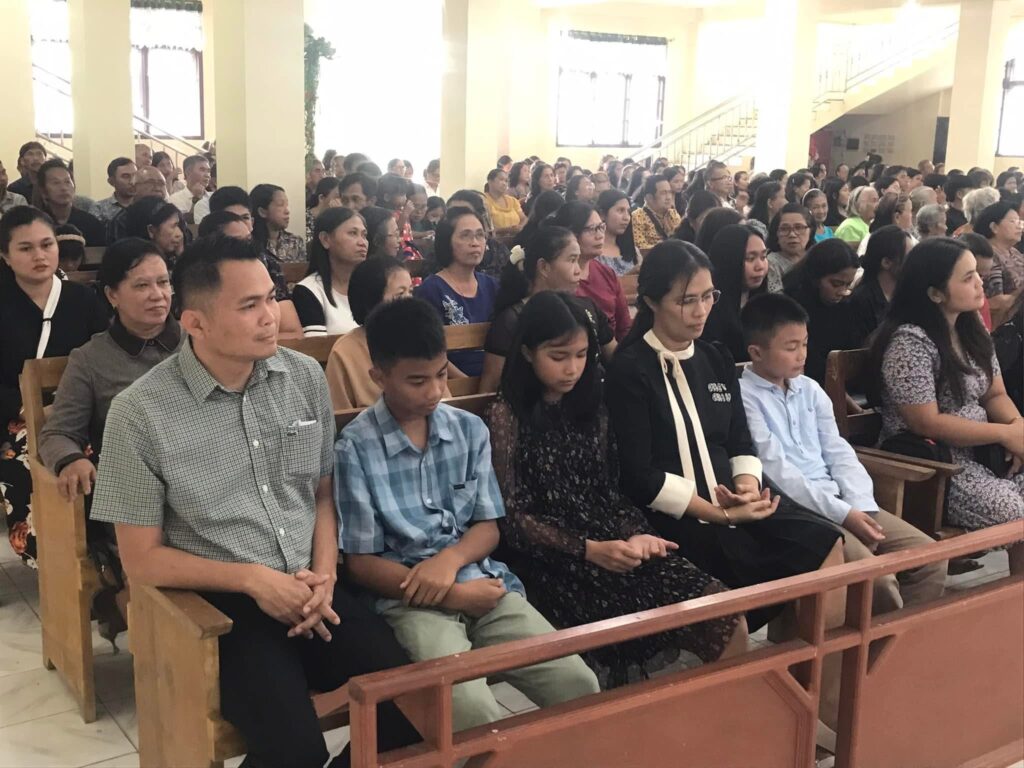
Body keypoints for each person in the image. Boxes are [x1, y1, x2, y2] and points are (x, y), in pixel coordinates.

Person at [89, 235, 421, 766]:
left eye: (271, 298)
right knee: (294, 751)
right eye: (248, 306)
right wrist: (252, 579)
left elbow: (322, 494)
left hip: (311, 587)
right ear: (195, 323)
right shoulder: (141, 413)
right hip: (221, 606)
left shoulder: (303, 376)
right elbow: (141, 560)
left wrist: (325, 574)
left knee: (414, 706)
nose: (271, 317)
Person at [335, 297, 600, 731]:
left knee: (577, 682)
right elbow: (361, 565)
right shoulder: (356, 449)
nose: (435, 391)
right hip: (409, 601)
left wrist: (452, 560)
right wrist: (451, 594)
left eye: (441, 374)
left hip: (483, 584)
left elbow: (488, 527)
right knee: (472, 712)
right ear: (378, 376)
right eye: (417, 381)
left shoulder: (467, 429)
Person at [486, 291, 746, 685]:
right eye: (558, 357)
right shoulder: (506, 416)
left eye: (581, 355)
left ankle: (719, 714)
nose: (572, 368)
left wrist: (637, 534)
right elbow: (514, 518)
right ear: (526, 352)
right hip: (550, 558)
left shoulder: (593, 404)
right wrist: (588, 550)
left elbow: (611, 490)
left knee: (724, 611)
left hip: (611, 541)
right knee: (614, 635)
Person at [604, 240, 845, 634]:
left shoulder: (714, 357)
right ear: (650, 301)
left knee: (824, 541)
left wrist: (747, 488)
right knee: (731, 581)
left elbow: (739, 441)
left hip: (733, 500)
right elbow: (638, 474)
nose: (701, 311)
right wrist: (721, 514)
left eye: (708, 296)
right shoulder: (630, 370)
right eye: (687, 301)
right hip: (679, 516)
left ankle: (810, 666)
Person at [738, 293, 945, 617]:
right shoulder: (745, 397)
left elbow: (839, 451)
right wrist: (844, 515)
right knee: (878, 583)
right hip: (800, 511)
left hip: (844, 502)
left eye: (805, 344)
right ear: (756, 352)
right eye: (791, 347)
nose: (802, 355)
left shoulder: (809, 389)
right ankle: (875, 645)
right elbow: (777, 471)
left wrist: (859, 505)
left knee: (930, 559)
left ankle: (898, 643)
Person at [38, 238, 182, 640]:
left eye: (163, 282)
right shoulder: (90, 359)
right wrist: (72, 459)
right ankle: (130, 607)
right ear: (112, 295)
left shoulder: (199, 342)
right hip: (135, 497)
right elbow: (58, 432)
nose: (158, 295)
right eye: (141, 285)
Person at [868, 237, 1024, 574]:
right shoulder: (909, 342)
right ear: (935, 293)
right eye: (967, 278)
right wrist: (1003, 434)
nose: (980, 282)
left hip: (985, 451)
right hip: (936, 464)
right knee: (1016, 513)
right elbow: (926, 422)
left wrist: (1017, 430)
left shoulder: (971, 327)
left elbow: (994, 394)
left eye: (977, 273)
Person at [0, 207, 108, 565]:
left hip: (79, 411)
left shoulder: (83, 299)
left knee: (111, 453)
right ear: (5, 256)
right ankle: (57, 565)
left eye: (47, 245)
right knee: (31, 462)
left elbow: (102, 362)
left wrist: (71, 408)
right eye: (25, 248)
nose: (39, 255)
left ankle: (106, 556)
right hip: (15, 418)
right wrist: (31, 409)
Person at [480, 225, 615, 393]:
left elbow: (616, 358)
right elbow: (491, 386)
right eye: (572, 260)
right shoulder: (512, 320)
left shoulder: (587, 308)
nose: (578, 271)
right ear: (544, 267)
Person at [415, 208, 499, 376]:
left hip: (492, 378)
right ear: (447, 242)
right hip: (449, 381)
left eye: (480, 235)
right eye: (465, 235)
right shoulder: (431, 290)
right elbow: (429, 349)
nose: (475, 242)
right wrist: (466, 383)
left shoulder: (493, 286)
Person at [325, 257, 417, 409]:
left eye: (411, 292)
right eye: (400, 294)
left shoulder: (419, 338)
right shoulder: (344, 352)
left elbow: (442, 400)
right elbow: (339, 416)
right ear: (372, 300)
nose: (410, 301)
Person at [782, 238, 860, 385]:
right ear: (816, 278)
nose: (842, 291)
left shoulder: (846, 305)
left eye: (848, 285)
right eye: (836, 284)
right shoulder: (792, 308)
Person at [551, 202, 632, 342]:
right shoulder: (560, 279)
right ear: (571, 234)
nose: (600, 236)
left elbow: (624, 326)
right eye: (591, 229)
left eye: (601, 227)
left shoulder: (607, 273)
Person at [293, 207, 365, 336]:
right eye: (353, 233)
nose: (362, 242)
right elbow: (317, 346)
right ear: (325, 239)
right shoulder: (308, 291)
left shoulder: (370, 286)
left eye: (364, 235)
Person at [702, 224, 768, 362]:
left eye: (763, 257)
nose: (760, 266)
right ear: (728, 259)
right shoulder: (707, 307)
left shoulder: (764, 302)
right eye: (750, 258)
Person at [849, 224, 913, 344]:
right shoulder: (861, 300)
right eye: (909, 257)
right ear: (886, 263)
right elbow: (860, 348)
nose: (914, 263)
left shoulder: (909, 294)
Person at [31, 159, 107, 246]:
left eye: (67, 182)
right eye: (56, 183)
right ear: (43, 191)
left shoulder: (90, 222)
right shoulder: (35, 223)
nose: (63, 188)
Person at [976, 201, 1024, 329]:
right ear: (994, 227)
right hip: (1005, 325)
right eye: (1013, 221)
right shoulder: (989, 255)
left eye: (1019, 221)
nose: (1019, 226)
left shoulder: (1014, 251)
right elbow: (996, 302)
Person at [765, 203, 814, 293]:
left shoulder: (817, 257)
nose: (792, 234)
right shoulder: (771, 263)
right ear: (776, 233)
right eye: (784, 229)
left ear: (810, 231)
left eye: (799, 228)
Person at [251, 183, 305, 263]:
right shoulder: (249, 244)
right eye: (280, 205)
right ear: (262, 212)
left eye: (286, 205)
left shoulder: (295, 242)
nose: (287, 211)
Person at [124, 197, 185, 267]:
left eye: (178, 225)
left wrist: (180, 255)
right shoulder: (141, 267)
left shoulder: (170, 258)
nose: (180, 234)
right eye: (173, 226)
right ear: (151, 230)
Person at [631, 174, 682, 254]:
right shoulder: (637, 217)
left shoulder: (673, 213)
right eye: (663, 193)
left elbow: (683, 241)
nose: (669, 197)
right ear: (649, 197)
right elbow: (641, 249)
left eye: (669, 192)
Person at [595, 189, 640, 276]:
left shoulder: (632, 250)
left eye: (628, 212)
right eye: (620, 210)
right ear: (602, 214)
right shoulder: (592, 252)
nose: (626, 217)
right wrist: (626, 277)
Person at [168, 154, 212, 226]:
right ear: (188, 172)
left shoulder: (213, 196)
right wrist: (196, 199)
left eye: (208, 171)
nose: (207, 175)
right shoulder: (175, 199)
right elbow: (184, 224)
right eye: (202, 170)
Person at [483, 169, 526, 238]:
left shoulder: (513, 200)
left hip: (517, 239)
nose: (504, 184)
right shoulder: (483, 201)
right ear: (490, 182)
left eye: (506, 181)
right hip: (495, 240)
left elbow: (524, 218)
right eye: (501, 180)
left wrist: (520, 226)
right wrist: (507, 230)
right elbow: (487, 229)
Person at [93, 157, 137, 222]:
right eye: (126, 176)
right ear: (112, 181)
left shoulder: (145, 205)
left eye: (135, 175)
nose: (132, 182)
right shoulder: (99, 209)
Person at [834, 185, 878, 249]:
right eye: (874, 201)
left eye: (878, 200)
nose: (878, 204)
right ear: (858, 204)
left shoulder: (873, 224)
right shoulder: (850, 227)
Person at [306, 177, 342, 242]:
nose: (340, 202)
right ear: (321, 198)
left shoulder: (333, 219)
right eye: (337, 197)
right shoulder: (306, 219)